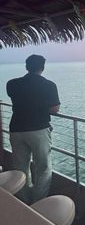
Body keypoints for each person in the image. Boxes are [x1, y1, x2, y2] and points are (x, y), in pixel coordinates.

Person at [6, 55, 60, 204]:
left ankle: (23, 201)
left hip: (16, 129)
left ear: (26, 67)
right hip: (39, 130)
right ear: (42, 68)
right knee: (43, 168)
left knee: (20, 167)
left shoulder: (12, 84)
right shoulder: (49, 85)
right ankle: (38, 203)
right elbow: (55, 109)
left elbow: (17, 98)